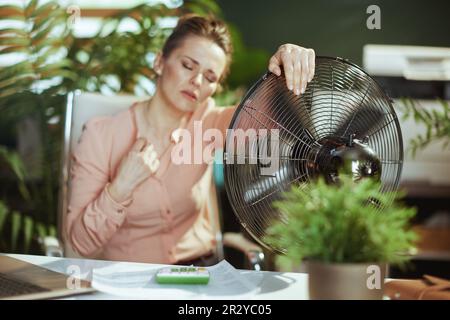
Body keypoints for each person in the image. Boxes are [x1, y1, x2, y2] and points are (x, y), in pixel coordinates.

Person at [66, 14, 316, 265]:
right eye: (188, 65)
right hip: (129, 279)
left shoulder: (208, 121)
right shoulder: (100, 136)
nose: (197, 81)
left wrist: (282, 73)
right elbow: (80, 243)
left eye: (209, 77)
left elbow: (263, 121)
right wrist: (121, 186)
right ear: (159, 62)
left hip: (200, 276)